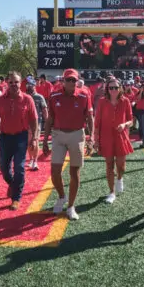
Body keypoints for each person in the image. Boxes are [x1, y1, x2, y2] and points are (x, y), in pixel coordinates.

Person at [43, 68, 93, 221]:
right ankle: (61, 196)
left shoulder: (84, 95)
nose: (71, 82)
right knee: (55, 171)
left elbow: (90, 118)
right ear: (63, 81)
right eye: (68, 80)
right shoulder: (54, 95)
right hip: (58, 135)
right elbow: (49, 119)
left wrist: (91, 138)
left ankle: (71, 206)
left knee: (74, 173)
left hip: (77, 134)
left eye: (74, 80)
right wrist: (44, 140)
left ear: (77, 81)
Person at [0, 73, 39, 210]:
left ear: (20, 83)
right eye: (11, 82)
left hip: (21, 137)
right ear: (6, 83)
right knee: (4, 168)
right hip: (5, 138)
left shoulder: (27, 99)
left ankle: (16, 197)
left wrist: (34, 138)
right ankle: (12, 184)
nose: (13, 85)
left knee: (19, 167)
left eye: (16, 82)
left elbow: (34, 120)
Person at [94, 76, 134, 204]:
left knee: (121, 166)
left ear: (120, 88)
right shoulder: (102, 101)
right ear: (107, 89)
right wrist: (95, 139)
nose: (113, 90)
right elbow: (97, 121)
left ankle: (120, 178)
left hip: (121, 136)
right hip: (106, 137)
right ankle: (111, 192)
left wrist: (124, 125)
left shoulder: (125, 101)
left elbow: (131, 120)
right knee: (109, 165)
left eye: (116, 87)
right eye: (111, 88)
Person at [25, 77, 48, 171]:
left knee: (35, 141)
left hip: (36, 123)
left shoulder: (39, 97)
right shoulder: (24, 96)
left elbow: (44, 110)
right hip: (26, 123)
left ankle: (35, 161)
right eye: (28, 84)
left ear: (34, 86)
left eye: (31, 84)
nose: (30, 86)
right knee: (28, 142)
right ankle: (30, 159)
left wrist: (47, 122)